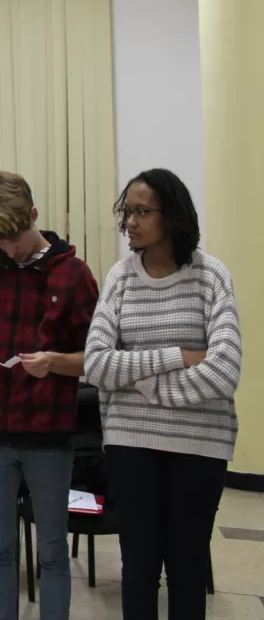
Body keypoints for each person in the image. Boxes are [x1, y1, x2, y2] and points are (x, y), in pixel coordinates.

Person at [85, 169, 240, 620]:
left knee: (187, 568)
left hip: (199, 444)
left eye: (142, 212)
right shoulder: (119, 278)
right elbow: (96, 364)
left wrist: (137, 381)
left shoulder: (211, 277)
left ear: (171, 217)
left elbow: (223, 372)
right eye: (126, 212)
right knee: (139, 568)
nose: (130, 222)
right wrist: (176, 356)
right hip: (131, 443)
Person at [0, 172, 97, 620]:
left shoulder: (73, 275)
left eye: (14, 238)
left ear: (34, 216)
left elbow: (96, 358)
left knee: (52, 550)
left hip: (49, 432)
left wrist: (54, 362)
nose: (8, 249)